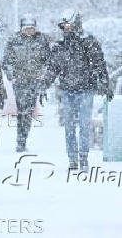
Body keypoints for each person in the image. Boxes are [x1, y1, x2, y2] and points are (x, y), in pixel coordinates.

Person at [41, 9, 113, 171]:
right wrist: (43, 85)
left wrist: (105, 84)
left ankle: (84, 157)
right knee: (69, 126)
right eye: (65, 26)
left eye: (70, 25)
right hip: (67, 91)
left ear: (77, 24)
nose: (67, 28)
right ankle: (72, 158)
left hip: (86, 90)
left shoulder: (89, 42)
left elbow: (99, 65)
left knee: (84, 125)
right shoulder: (59, 46)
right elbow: (53, 68)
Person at [2, 14, 50, 152]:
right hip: (20, 82)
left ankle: (24, 137)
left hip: (35, 81)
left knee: (29, 111)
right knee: (22, 111)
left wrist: (43, 74)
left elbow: (48, 61)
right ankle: (20, 141)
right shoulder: (14, 41)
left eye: (32, 28)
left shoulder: (42, 41)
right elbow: (6, 61)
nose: (29, 31)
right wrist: (12, 76)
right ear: (22, 29)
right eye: (27, 28)